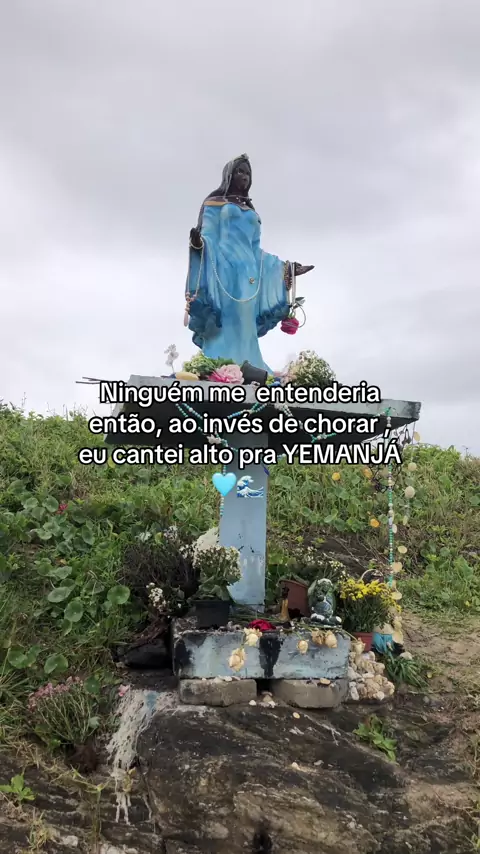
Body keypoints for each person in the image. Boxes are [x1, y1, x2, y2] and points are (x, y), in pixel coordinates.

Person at [184, 154, 314, 372]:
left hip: (250, 270)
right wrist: (199, 243)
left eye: (247, 173)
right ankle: (217, 362)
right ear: (229, 175)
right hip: (223, 265)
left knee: (245, 318)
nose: (244, 176)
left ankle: (249, 363)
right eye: (239, 171)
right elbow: (208, 235)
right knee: (225, 316)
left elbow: (256, 249)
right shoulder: (215, 203)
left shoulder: (252, 212)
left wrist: (286, 268)